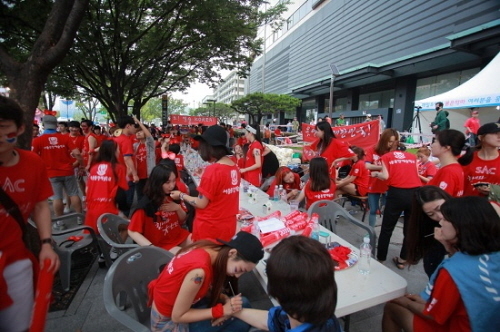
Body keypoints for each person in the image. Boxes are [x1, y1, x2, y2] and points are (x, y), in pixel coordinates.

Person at [382, 196, 500, 332]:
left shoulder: (454, 271)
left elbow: (434, 315)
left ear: (461, 225)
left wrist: (403, 301)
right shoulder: (493, 254)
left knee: (392, 307)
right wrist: (447, 245)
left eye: (446, 219)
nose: (441, 222)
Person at [0, 96, 60, 331]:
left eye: (3, 127)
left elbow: (40, 204)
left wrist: (46, 243)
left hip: (16, 263)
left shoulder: (33, 162)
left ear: (21, 128)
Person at [149, 231, 264, 332]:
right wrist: (221, 311)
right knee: (242, 321)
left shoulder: (210, 247)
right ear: (232, 253)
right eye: (239, 270)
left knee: (241, 305)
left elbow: (201, 288)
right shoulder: (198, 273)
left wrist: (222, 298)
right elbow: (177, 317)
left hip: (179, 306)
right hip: (168, 324)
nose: (238, 276)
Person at [233, 236, 342, 332]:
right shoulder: (320, 316)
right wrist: (232, 312)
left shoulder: (295, 315)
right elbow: (271, 320)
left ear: (277, 295)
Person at [170, 125, 240, 242]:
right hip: (228, 226)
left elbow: (201, 203)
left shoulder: (213, 170)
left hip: (210, 229)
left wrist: (181, 195)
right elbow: (221, 188)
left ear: (209, 146)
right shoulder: (234, 167)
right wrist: (205, 177)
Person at [371, 143, 421, 265]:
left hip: (397, 192)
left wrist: (376, 174)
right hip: (415, 192)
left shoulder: (387, 156)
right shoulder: (412, 157)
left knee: (387, 228)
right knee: (410, 228)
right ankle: (403, 259)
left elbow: (385, 175)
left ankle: (381, 258)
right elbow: (415, 173)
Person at [128, 164, 191, 252]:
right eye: (167, 182)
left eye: (173, 181)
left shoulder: (173, 195)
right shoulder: (146, 204)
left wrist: (177, 208)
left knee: (202, 243)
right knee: (186, 256)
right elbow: (132, 231)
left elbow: (183, 219)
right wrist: (151, 247)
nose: (172, 185)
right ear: (158, 183)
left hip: (178, 236)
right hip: (161, 245)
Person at [32, 114, 83, 216]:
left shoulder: (37, 140)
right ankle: (79, 217)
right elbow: (77, 153)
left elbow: (33, 158)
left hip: (51, 173)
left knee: (57, 197)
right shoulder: (65, 138)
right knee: (74, 194)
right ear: (56, 125)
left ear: (44, 124)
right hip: (67, 170)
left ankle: (60, 222)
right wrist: (81, 165)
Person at [405, 186, 452, 277]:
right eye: (431, 214)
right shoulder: (427, 228)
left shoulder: (465, 215)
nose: (440, 216)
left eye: (440, 208)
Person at [85, 140, 129, 233]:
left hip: (91, 209)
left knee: (95, 234)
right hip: (108, 208)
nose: (119, 152)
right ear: (113, 152)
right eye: (117, 150)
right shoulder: (119, 168)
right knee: (130, 228)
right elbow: (121, 194)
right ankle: (117, 248)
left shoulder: (94, 168)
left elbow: (87, 189)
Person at [365, 128, 398, 227]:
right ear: (384, 139)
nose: (391, 144)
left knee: (387, 210)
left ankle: (385, 231)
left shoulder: (394, 152)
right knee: (373, 210)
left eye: (393, 142)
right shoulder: (372, 149)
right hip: (374, 184)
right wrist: (382, 167)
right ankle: (371, 232)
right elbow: (367, 165)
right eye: (389, 141)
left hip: (389, 185)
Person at [461, 122, 500, 197]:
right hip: (469, 205)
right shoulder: (466, 158)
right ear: (481, 137)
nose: (499, 136)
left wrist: (494, 190)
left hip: (496, 206)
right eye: (495, 133)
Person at [428, 129, 470, 197]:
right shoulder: (454, 168)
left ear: (446, 148)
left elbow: (441, 203)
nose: (431, 145)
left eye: (435, 142)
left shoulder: (449, 171)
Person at [113, 115, 139, 216]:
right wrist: (135, 174)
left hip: (117, 174)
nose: (135, 128)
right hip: (126, 176)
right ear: (128, 126)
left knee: (119, 200)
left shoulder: (116, 139)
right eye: (134, 125)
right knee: (127, 203)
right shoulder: (126, 140)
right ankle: (123, 224)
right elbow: (127, 158)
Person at [133, 118, 156, 202]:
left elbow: (149, 135)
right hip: (138, 176)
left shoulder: (150, 144)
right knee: (140, 197)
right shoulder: (135, 145)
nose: (138, 133)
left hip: (149, 175)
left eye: (140, 131)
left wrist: (138, 122)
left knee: (149, 196)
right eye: (137, 132)